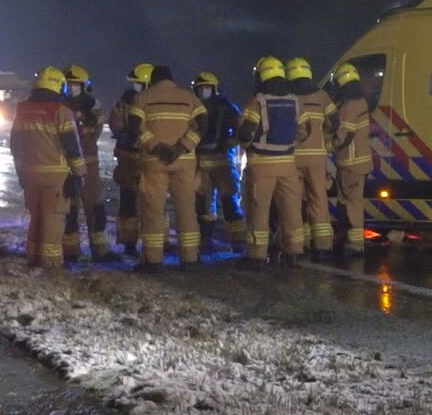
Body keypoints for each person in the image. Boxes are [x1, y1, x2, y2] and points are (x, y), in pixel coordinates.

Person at [129, 65, 206, 271]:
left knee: (153, 210)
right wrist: (182, 147)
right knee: (186, 209)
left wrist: (155, 146)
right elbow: (203, 124)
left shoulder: (143, 98)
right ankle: (190, 258)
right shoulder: (189, 98)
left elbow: (134, 126)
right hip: (184, 161)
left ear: (153, 80)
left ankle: (153, 260)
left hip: (154, 161)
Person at [10, 66, 86, 270]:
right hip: (56, 176)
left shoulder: (22, 109)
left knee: (36, 218)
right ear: (58, 86)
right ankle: (50, 263)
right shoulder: (62, 111)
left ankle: (33, 258)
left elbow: (15, 145)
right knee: (53, 220)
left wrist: (21, 173)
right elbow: (72, 146)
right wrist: (79, 174)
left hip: (30, 174)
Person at [238, 56, 309, 269]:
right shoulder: (295, 101)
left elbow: (246, 132)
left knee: (259, 209)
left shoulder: (257, 102)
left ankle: (257, 255)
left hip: (261, 164)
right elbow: (306, 130)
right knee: (291, 209)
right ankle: (294, 251)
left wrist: (248, 144)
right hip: (288, 163)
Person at [60, 63, 116, 263]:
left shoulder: (94, 105)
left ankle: (100, 248)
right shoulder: (60, 106)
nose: (72, 87)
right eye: (68, 84)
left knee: (96, 206)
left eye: (75, 84)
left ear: (84, 86)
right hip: (66, 165)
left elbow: (98, 124)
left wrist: (86, 112)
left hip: (89, 163)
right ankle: (70, 250)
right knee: (69, 208)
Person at [287, 57, 337, 260]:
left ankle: (298, 245)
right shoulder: (322, 96)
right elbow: (335, 122)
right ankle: (323, 245)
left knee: (293, 201)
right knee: (318, 199)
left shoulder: (289, 97)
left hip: (293, 157)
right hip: (317, 157)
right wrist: (323, 139)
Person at [192, 71, 245, 252]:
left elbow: (242, 128)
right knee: (202, 204)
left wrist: (233, 141)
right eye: (200, 89)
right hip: (200, 160)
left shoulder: (227, 107)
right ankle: (205, 240)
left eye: (206, 88)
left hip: (223, 160)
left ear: (214, 88)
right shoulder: (194, 106)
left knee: (230, 200)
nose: (202, 91)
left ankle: (238, 241)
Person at [329, 61, 373, 259]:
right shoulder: (361, 101)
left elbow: (344, 137)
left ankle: (355, 244)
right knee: (346, 201)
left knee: (352, 203)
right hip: (357, 161)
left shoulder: (348, 105)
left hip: (350, 162)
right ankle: (346, 237)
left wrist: (326, 147)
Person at [107, 65, 149, 256]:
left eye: (138, 84)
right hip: (128, 156)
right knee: (128, 201)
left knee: (153, 202)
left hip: (149, 156)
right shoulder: (124, 101)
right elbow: (114, 120)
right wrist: (123, 133)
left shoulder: (153, 102)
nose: (135, 87)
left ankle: (158, 241)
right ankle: (129, 241)